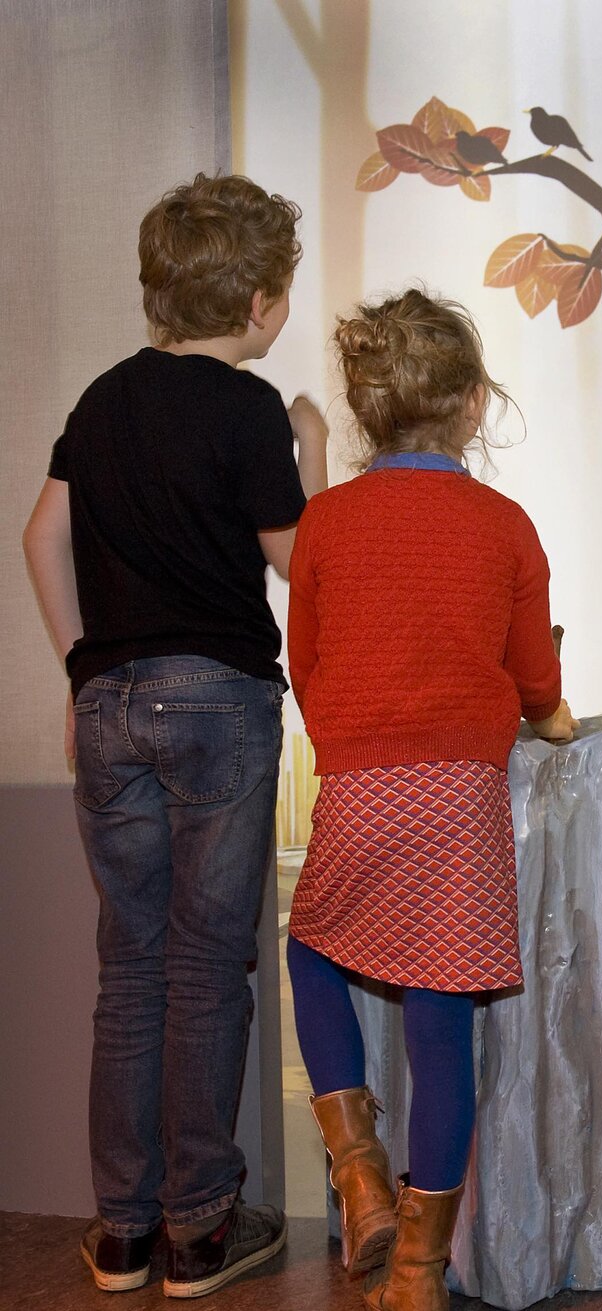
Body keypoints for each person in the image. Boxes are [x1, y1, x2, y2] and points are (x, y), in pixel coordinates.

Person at [21, 172, 329, 1298]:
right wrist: (312, 447)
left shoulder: (102, 400)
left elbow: (41, 535)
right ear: (260, 304)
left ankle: (123, 1233)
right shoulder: (250, 410)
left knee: (130, 968)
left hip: (110, 707)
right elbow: (305, 565)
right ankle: (200, 1224)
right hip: (218, 703)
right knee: (207, 968)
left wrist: (77, 668)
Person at [285, 288, 574, 1310]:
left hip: (361, 784)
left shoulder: (325, 522)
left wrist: (349, 742)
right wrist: (551, 717)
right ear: (473, 406)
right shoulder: (503, 524)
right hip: (459, 795)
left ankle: (357, 1169)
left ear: (367, 411)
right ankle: (416, 1272)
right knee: (441, 1025)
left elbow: (306, 664)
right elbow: (531, 669)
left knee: (311, 948)